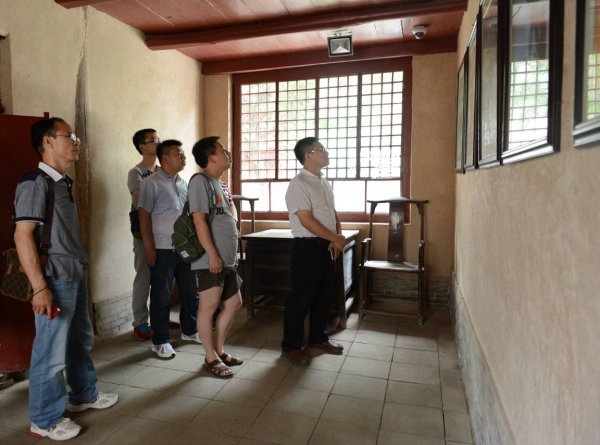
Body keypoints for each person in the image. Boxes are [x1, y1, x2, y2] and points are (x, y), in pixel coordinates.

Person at [14, 117, 118, 441]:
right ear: (47, 141)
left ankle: (84, 394)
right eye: (68, 135)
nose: (76, 141)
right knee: (50, 353)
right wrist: (40, 288)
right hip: (54, 279)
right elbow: (22, 235)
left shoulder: (63, 183)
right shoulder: (35, 182)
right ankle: (44, 420)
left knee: (78, 341)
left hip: (74, 273)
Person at [282, 137, 346, 366]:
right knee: (301, 298)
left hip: (326, 245)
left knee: (323, 296)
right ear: (308, 155)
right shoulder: (298, 183)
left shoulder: (323, 182)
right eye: (321, 149)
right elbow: (306, 220)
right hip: (307, 247)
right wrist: (334, 238)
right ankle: (291, 346)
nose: (326, 152)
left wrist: (336, 237)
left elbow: (332, 213)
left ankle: (319, 337)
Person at [138, 140, 200, 359]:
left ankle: (189, 330)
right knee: (161, 296)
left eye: (183, 153)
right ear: (164, 158)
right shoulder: (151, 183)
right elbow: (144, 216)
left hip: (185, 249)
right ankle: (160, 341)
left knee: (191, 292)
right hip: (162, 249)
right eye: (178, 153)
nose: (183, 157)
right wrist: (150, 249)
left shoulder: (184, 183)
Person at [189, 136, 243, 378]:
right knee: (208, 307)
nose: (227, 153)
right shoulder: (199, 181)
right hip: (210, 259)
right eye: (222, 150)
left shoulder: (220, 183)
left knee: (234, 303)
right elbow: (199, 221)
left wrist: (233, 253)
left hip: (226, 258)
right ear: (211, 157)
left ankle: (219, 351)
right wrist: (212, 255)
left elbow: (228, 221)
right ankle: (210, 358)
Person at [127, 128, 159, 341]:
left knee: (161, 278)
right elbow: (141, 202)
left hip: (164, 232)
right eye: (153, 140)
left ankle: (159, 319)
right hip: (143, 232)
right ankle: (140, 322)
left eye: (158, 138)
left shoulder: (163, 170)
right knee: (144, 277)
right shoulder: (136, 173)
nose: (158, 142)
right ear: (142, 146)